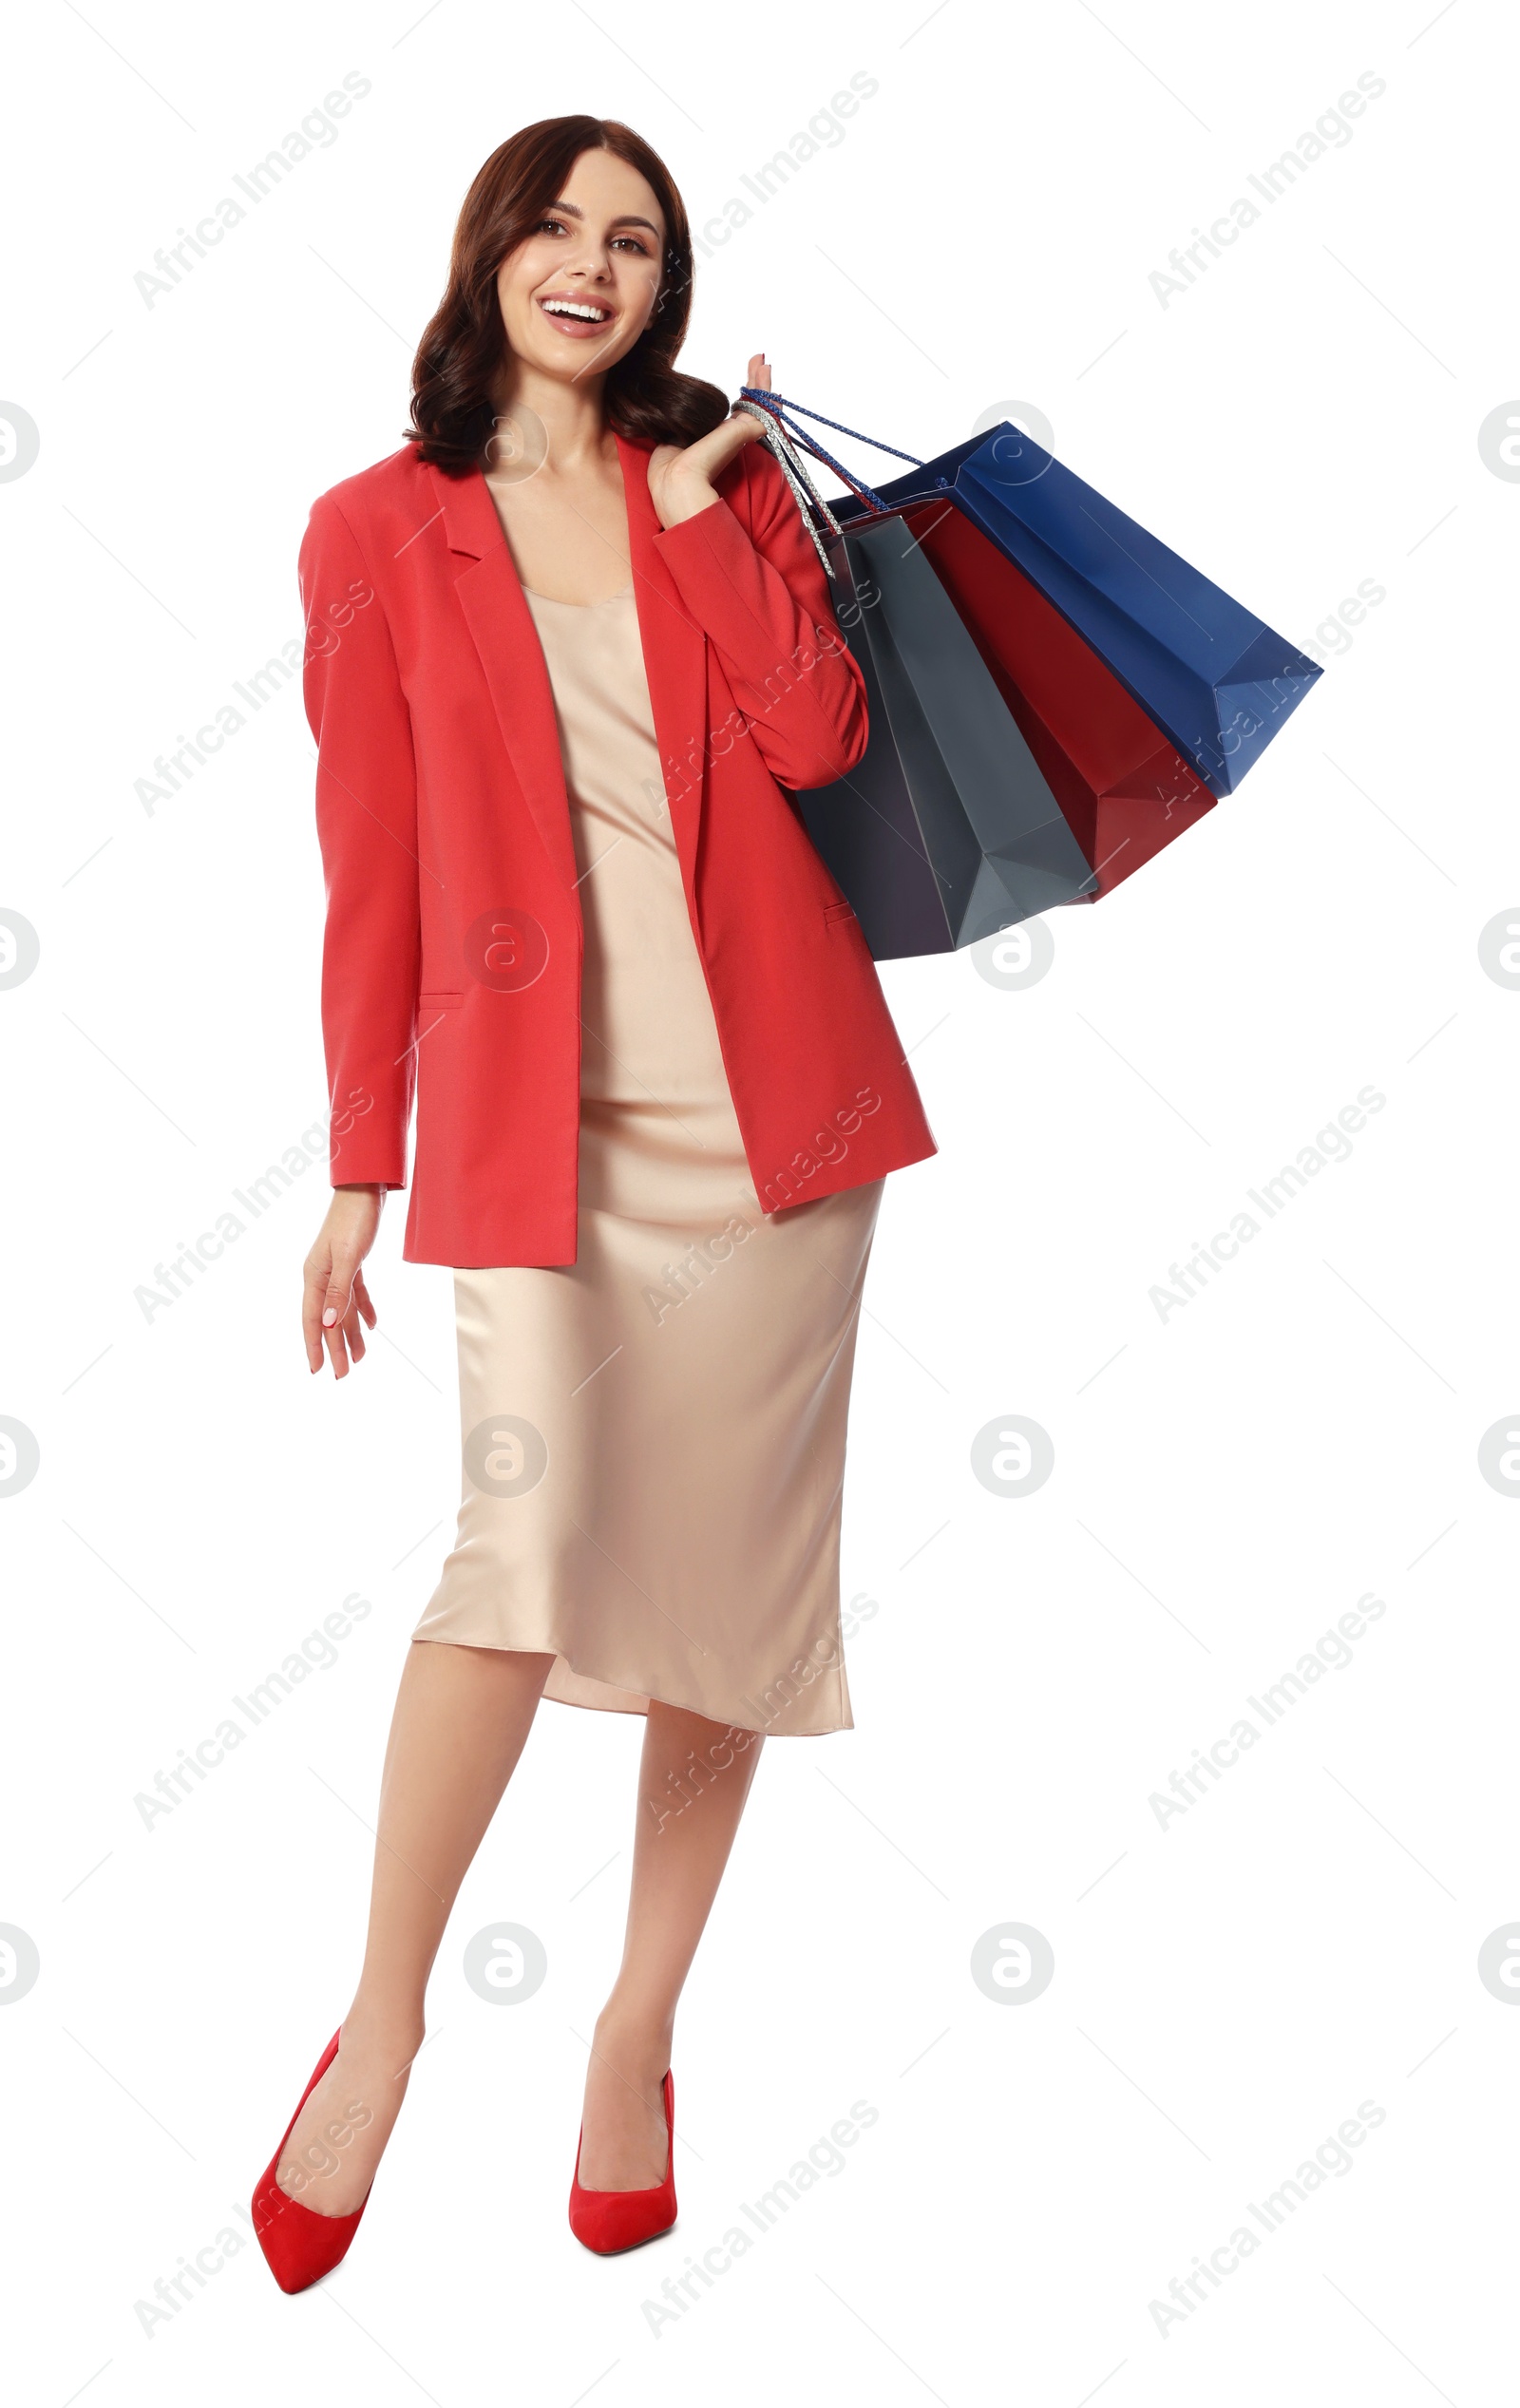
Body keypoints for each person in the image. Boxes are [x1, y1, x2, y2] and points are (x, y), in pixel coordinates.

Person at [251, 113, 935, 2292]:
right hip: (538, 1132)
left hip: (773, 1129)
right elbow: (368, 867)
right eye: (556, 224)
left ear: (664, 287)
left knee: (722, 1599)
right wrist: (359, 1163)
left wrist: (709, 516)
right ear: (493, 257)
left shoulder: (706, 494)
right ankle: (379, 2022)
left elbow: (825, 746)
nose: (593, 262)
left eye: (633, 239)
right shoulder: (373, 530)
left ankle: (636, 2033)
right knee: (519, 1555)